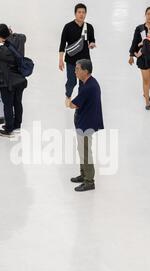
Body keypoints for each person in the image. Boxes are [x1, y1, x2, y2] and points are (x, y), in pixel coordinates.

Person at [65, 59, 104, 192]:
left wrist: (68, 102)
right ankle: (83, 174)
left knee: (85, 152)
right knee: (81, 149)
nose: (75, 71)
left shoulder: (89, 87)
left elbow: (74, 104)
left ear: (85, 71)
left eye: (77, 69)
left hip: (87, 123)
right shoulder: (86, 83)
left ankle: (89, 181)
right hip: (84, 121)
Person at [0, 24, 27, 137]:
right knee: (17, 102)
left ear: (0, 35)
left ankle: (9, 128)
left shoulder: (2, 51)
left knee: (8, 104)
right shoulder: (19, 39)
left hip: (7, 81)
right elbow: (23, 36)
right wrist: (10, 35)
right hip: (19, 79)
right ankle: (17, 125)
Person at [59, 3, 96, 103]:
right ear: (75, 13)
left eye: (83, 12)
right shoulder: (68, 27)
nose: (81, 14)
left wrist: (92, 44)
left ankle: (81, 101)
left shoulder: (89, 27)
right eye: (79, 12)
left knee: (83, 83)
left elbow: (92, 40)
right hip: (71, 61)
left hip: (85, 61)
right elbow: (62, 44)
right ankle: (68, 95)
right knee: (71, 82)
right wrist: (60, 60)